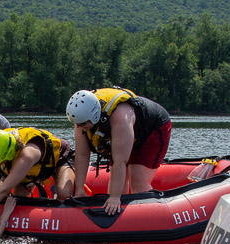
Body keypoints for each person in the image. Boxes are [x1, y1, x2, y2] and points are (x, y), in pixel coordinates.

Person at [66, 87, 171, 215]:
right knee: (115, 190)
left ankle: (153, 217)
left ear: (93, 116)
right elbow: (82, 155)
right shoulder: (81, 121)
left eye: (82, 124)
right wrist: (79, 189)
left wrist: (115, 198)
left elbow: (120, 161)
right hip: (125, 133)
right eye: (77, 124)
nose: (79, 127)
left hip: (150, 129)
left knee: (138, 184)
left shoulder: (120, 117)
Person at [0, 127, 75, 223]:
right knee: (19, 201)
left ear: (9, 155)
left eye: (1, 162)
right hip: (31, 170)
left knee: (63, 193)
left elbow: (4, 190)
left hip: (58, 159)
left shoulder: (26, 155)